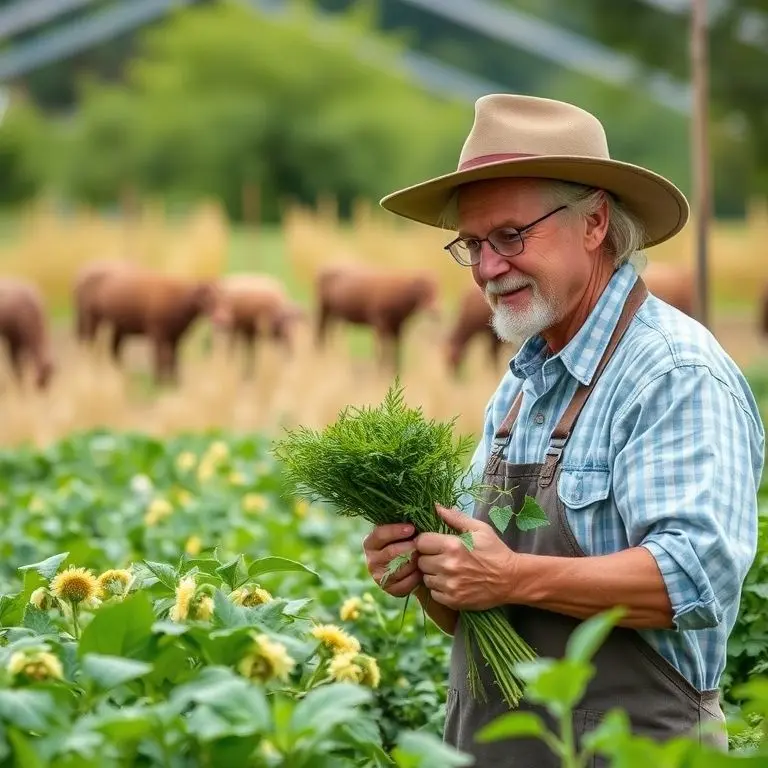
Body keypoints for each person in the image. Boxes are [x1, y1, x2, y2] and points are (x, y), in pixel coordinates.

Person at [362, 94, 766, 766]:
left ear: (595, 222)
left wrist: (513, 575)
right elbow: (478, 610)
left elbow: (695, 577)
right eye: (473, 244)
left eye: (512, 236)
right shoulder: (521, 386)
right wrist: (430, 572)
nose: (488, 268)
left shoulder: (670, 372)